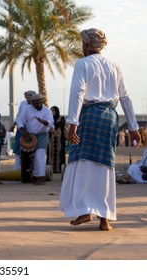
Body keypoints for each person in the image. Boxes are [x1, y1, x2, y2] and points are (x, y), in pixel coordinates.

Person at [58, 28, 141, 231]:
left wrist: (73, 122)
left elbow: (78, 91)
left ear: (86, 45)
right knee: (106, 164)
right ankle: (105, 219)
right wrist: (133, 127)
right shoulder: (114, 65)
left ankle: (85, 210)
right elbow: (126, 97)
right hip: (110, 118)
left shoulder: (82, 64)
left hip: (89, 116)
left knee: (83, 160)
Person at [17, 93, 53, 185]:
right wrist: (23, 130)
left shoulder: (47, 111)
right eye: (35, 103)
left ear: (42, 102)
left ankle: (41, 178)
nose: (38, 105)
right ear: (32, 103)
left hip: (42, 135)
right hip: (29, 136)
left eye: (39, 103)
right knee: (27, 158)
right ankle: (31, 177)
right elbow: (20, 120)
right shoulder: (27, 109)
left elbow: (50, 121)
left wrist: (43, 122)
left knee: (39, 155)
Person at [9, 90, 35, 170]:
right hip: (21, 129)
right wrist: (13, 124)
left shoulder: (37, 105)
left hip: (31, 130)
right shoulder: (22, 103)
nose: (28, 98)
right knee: (18, 149)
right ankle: (17, 169)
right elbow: (19, 115)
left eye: (30, 96)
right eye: (27, 96)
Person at [47, 106, 67, 173]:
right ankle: (50, 169)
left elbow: (61, 123)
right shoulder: (49, 118)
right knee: (50, 152)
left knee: (60, 152)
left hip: (60, 139)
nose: (52, 112)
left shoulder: (61, 118)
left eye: (53, 110)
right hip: (51, 140)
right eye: (51, 110)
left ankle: (60, 169)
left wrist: (52, 125)